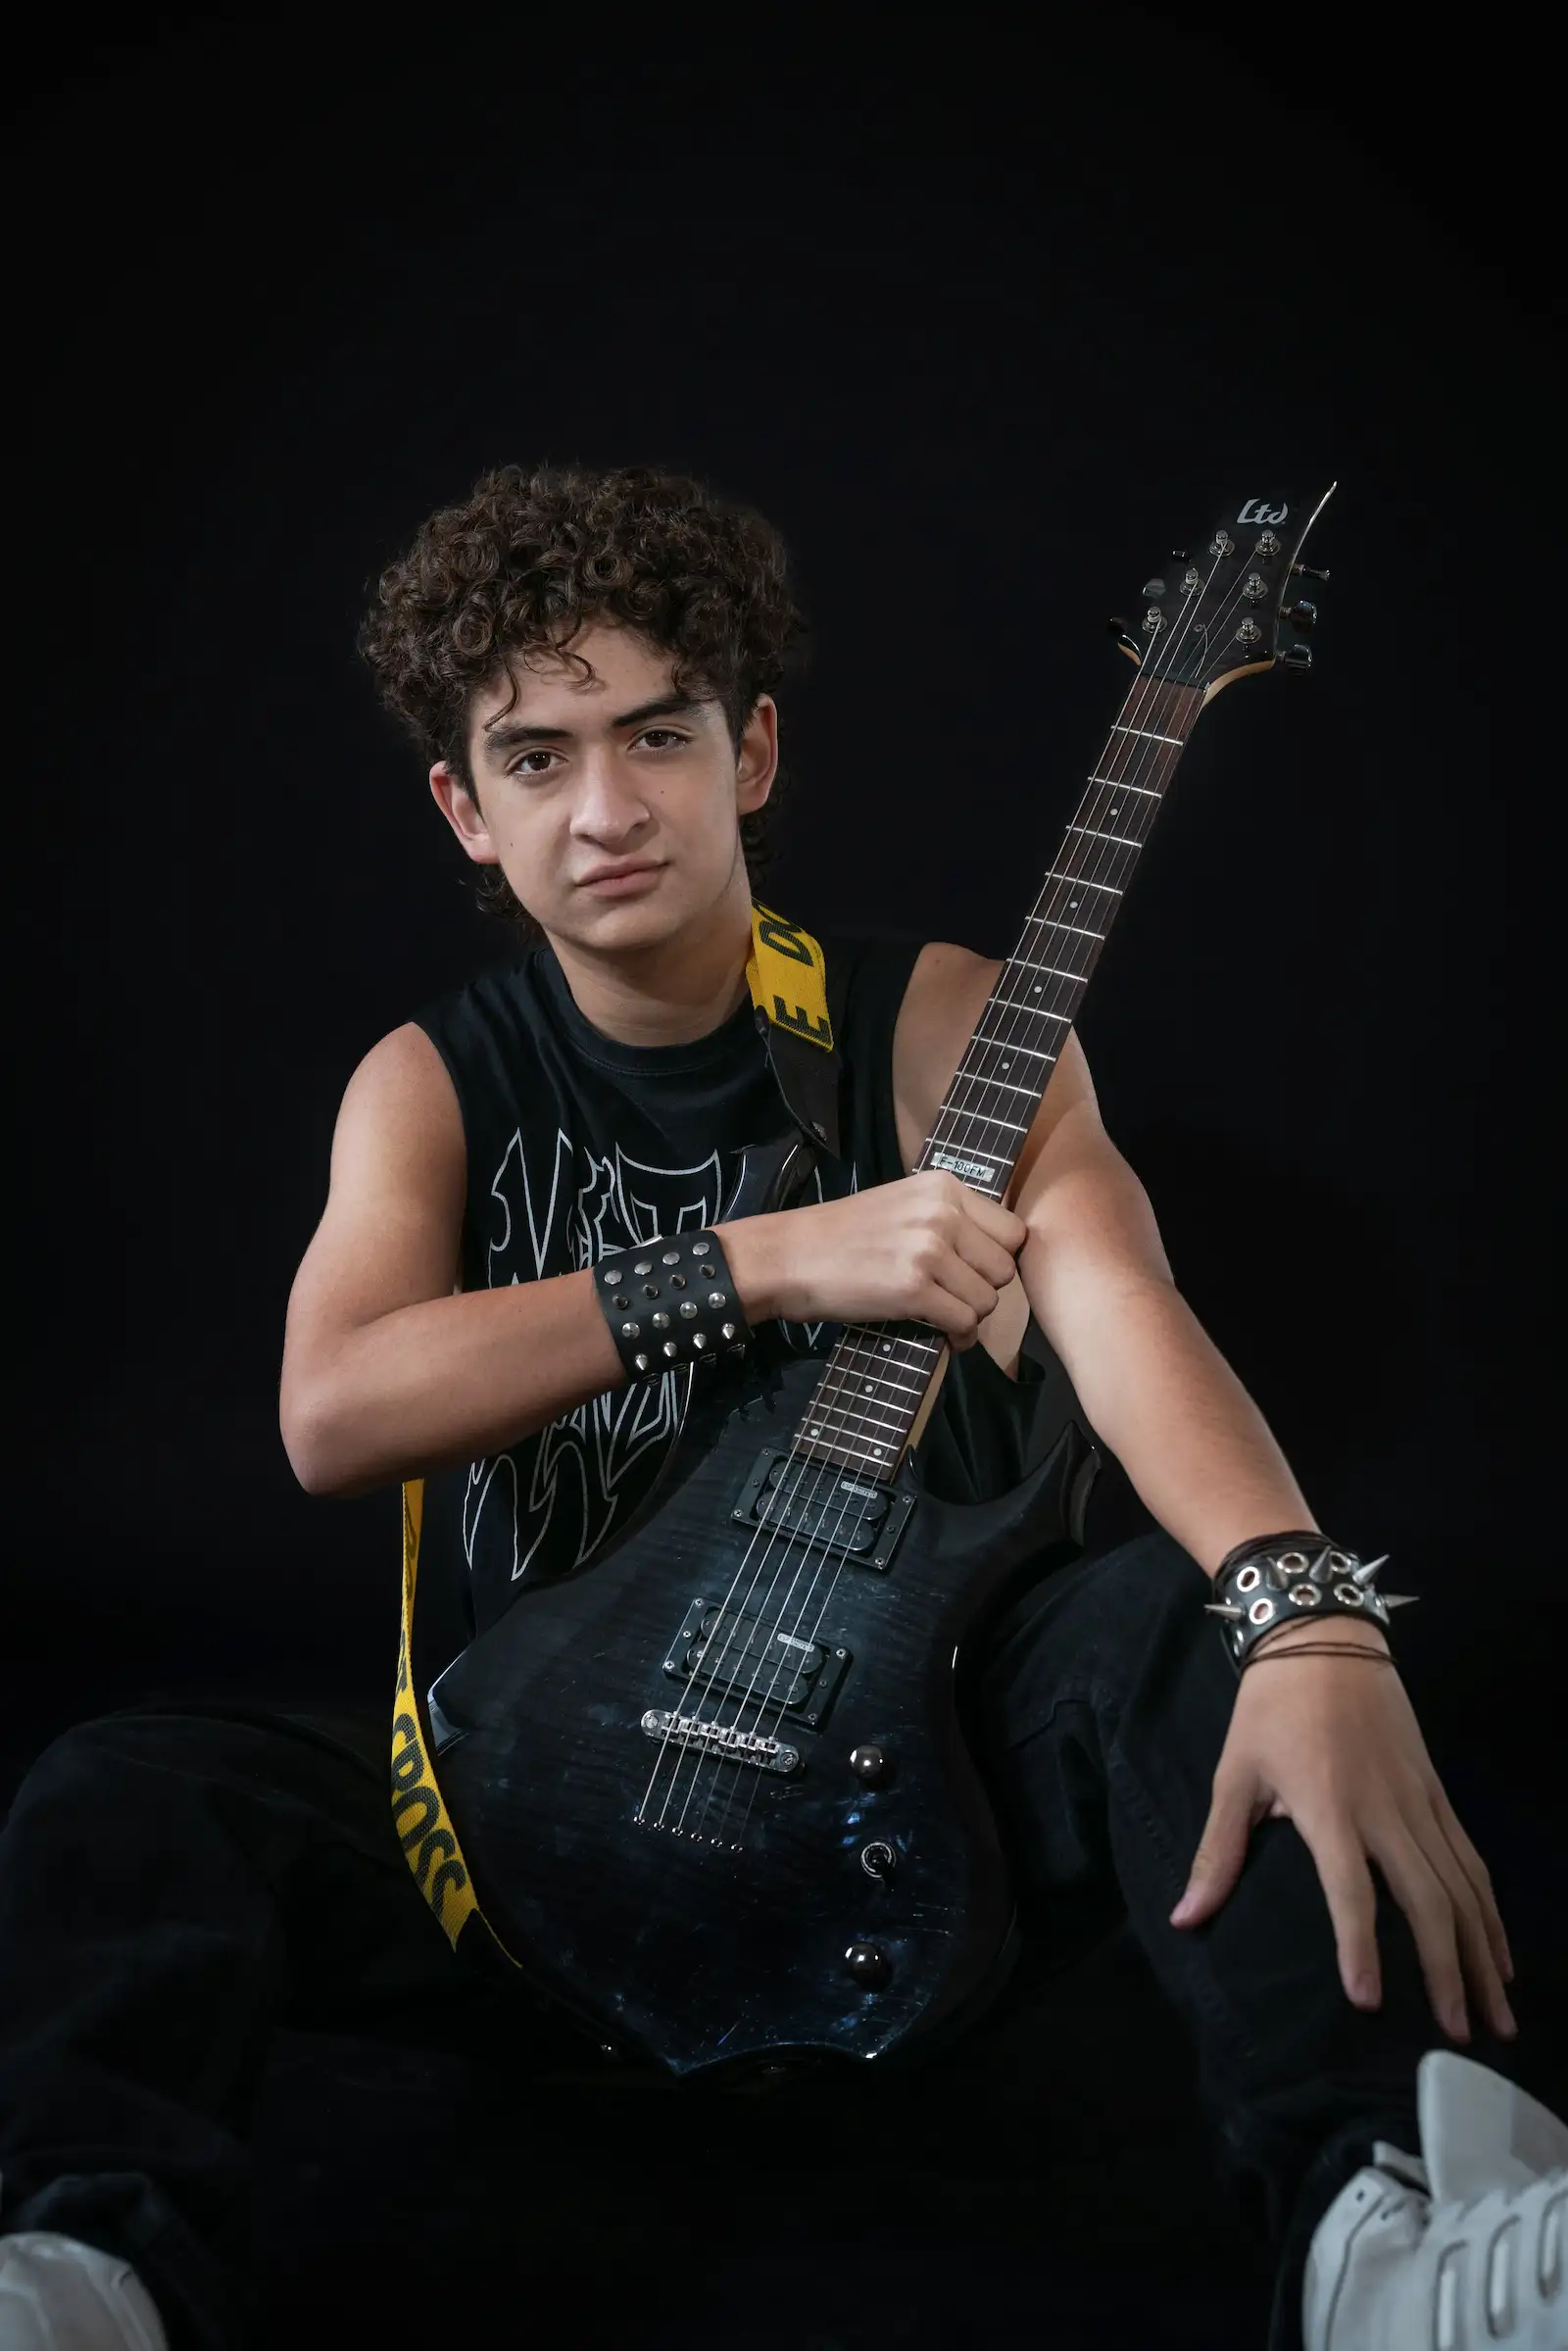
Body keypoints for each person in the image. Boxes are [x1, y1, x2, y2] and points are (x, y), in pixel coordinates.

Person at [1, 464, 1563, 2351]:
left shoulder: (943, 1022)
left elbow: (1122, 1304)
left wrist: (1305, 1611)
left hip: (917, 1793)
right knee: (126, 1796)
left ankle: (1389, 2239)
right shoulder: (432, 1083)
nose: (605, 807)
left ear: (749, 751)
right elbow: (332, 1410)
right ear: (466, 810)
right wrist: (763, 1261)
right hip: (517, 1824)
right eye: (536, 756)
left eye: (657, 733)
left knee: (1188, 1619)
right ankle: (91, 2275)